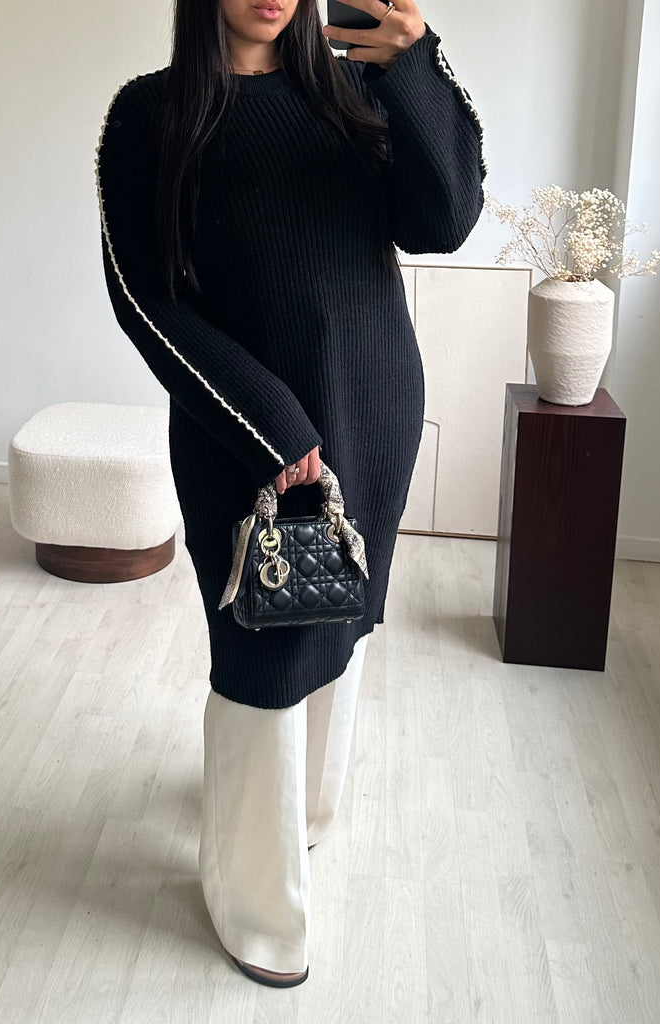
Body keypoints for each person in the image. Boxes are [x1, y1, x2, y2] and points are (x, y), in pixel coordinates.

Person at [96, 0, 486, 988]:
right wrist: (273, 428)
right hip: (245, 435)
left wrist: (416, 67)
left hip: (372, 411)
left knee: (337, 621)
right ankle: (257, 905)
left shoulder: (357, 95)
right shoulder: (150, 114)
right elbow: (144, 299)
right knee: (262, 656)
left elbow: (444, 221)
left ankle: (304, 814)